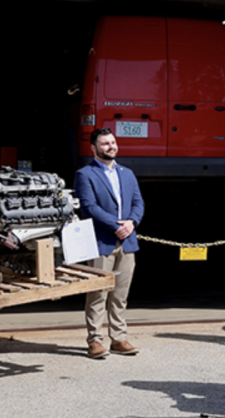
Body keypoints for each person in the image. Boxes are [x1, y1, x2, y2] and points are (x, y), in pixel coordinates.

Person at [75, 128, 144, 359]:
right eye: (105, 144)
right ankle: (95, 341)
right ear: (94, 148)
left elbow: (138, 202)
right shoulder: (85, 174)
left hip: (127, 242)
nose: (111, 147)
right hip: (101, 242)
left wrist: (132, 223)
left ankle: (119, 338)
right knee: (97, 295)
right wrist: (117, 225)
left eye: (113, 142)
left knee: (120, 294)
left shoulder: (128, 173)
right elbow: (89, 207)